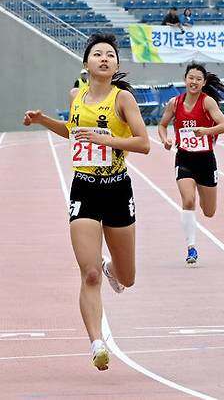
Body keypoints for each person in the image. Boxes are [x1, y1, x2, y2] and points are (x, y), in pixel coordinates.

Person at [23, 33, 150, 371]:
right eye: (98, 54)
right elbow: (72, 131)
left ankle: (113, 269)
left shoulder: (123, 100)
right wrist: (43, 121)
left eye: (110, 54)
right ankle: (97, 342)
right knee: (89, 272)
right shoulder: (75, 96)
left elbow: (144, 143)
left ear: (117, 65)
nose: (105, 58)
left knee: (128, 276)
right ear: (86, 63)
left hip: (117, 189)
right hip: (84, 189)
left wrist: (105, 138)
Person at [157, 62, 224, 264]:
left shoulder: (208, 103)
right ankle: (191, 248)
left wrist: (205, 131)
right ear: (185, 79)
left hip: (206, 160)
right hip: (184, 157)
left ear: (204, 82)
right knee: (188, 200)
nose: (194, 82)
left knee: (209, 212)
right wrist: (165, 140)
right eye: (191, 78)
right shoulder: (175, 103)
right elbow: (162, 126)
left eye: (198, 79)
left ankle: (207, 195)